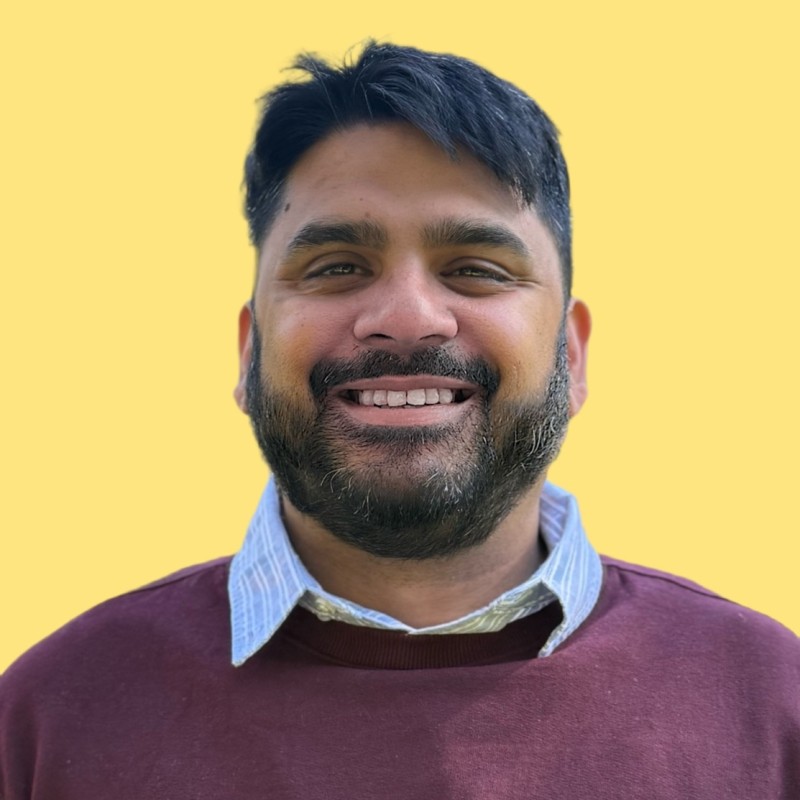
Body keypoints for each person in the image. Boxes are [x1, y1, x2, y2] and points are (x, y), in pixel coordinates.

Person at [1, 41, 797, 800]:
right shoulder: (46, 721)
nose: (408, 318)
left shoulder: (773, 706)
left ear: (572, 354)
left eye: (476, 271)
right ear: (248, 353)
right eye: (337, 267)